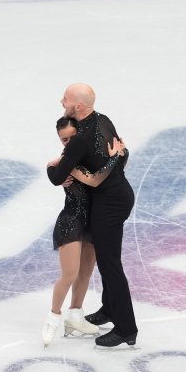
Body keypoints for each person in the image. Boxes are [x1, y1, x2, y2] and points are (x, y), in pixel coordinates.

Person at [45, 83, 138, 348]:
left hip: (108, 205)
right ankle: (109, 308)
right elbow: (124, 152)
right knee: (107, 260)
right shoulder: (103, 119)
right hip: (120, 195)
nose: (61, 101)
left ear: (80, 107)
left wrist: (50, 167)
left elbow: (56, 177)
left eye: (66, 99)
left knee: (110, 265)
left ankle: (126, 328)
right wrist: (114, 159)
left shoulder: (80, 139)